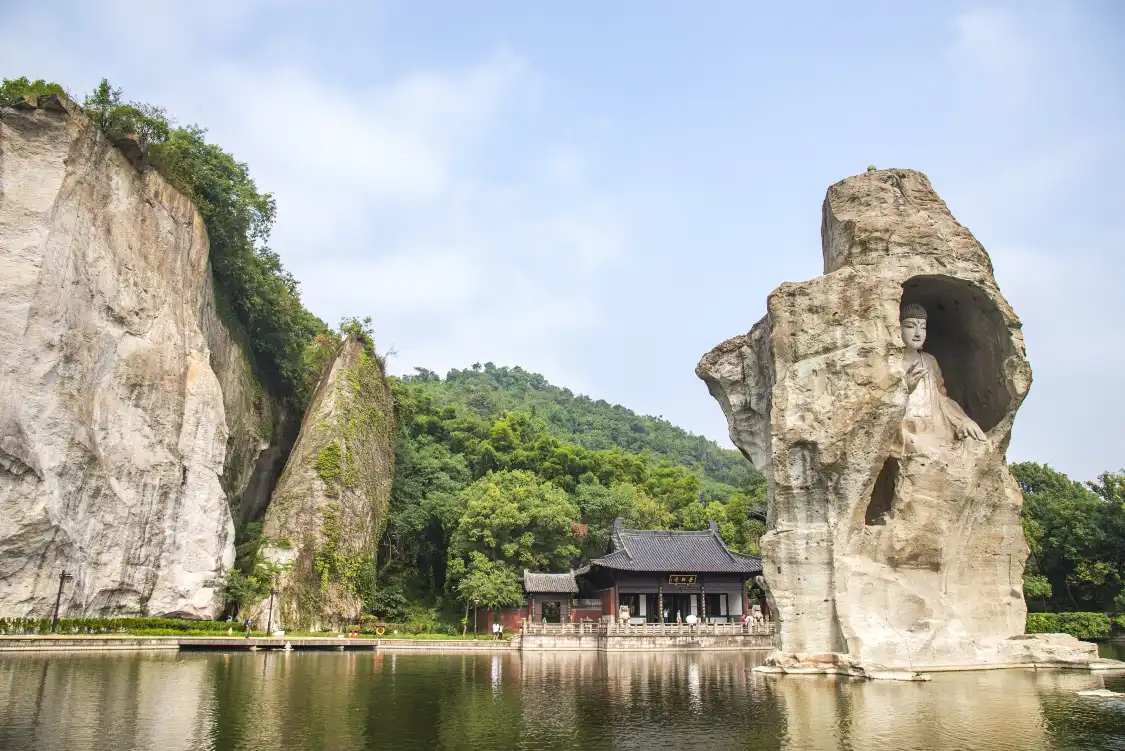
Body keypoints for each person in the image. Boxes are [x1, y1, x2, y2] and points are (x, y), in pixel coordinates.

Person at [899, 303, 986, 452]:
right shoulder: (892, 361)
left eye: (923, 327)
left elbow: (942, 398)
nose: (918, 333)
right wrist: (904, 388)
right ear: (898, 329)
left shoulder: (929, 361)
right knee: (917, 446)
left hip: (936, 424)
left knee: (974, 443)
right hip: (907, 427)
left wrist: (963, 420)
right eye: (910, 326)